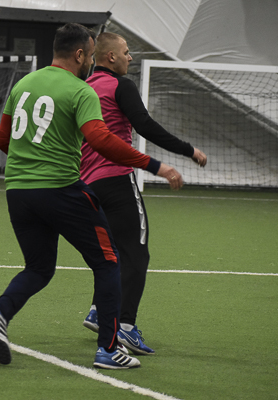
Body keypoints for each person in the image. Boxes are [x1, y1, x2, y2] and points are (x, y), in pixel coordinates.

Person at [0, 23, 184, 369]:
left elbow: (3, 140)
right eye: (89, 56)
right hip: (60, 190)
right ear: (79, 55)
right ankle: (108, 349)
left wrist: (32, 158)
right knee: (109, 262)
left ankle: (1, 311)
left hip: (18, 192)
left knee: (39, 267)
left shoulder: (23, 85)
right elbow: (102, 140)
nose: (90, 62)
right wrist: (154, 165)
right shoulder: (80, 90)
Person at [80, 32, 207, 355]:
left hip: (86, 185)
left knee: (111, 253)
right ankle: (124, 327)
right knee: (136, 255)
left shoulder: (84, 88)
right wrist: (187, 150)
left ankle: (98, 310)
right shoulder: (121, 86)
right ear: (110, 57)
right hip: (117, 180)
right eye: (126, 52)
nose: (130, 57)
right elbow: (144, 125)